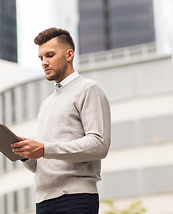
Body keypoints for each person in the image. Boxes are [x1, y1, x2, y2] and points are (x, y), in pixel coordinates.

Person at [11, 27, 111, 214]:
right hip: (44, 201)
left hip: (75, 199)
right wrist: (25, 153)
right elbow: (45, 161)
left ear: (69, 54)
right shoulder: (47, 104)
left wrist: (44, 148)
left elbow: (99, 144)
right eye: (41, 58)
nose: (44, 62)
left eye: (49, 55)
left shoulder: (88, 89)